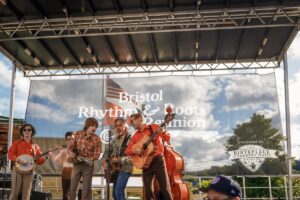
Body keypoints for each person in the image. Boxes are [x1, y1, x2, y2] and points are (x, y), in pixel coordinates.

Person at [125, 113, 173, 200]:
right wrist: (134, 151)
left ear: (139, 118)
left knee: (165, 188)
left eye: (132, 121)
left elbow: (167, 138)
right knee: (147, 190)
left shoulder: (154, 127)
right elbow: (127, 151)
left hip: (158, 160)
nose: (131, 123)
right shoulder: (135, 136)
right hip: (145, 163)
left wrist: (164, 131)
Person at [7, 123, 48, 200]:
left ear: (32, 132)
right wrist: (18, 159)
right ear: (22, 132)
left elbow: (39, 161)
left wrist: (46, 157)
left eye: (29, 130)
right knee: (15, 191)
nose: (26, 131)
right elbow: (10, 154)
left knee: (27, 192)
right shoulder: (17, 143)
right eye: (24, 130)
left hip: (30, 171)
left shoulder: (36, 147)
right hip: (17, 169)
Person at [69, 117, 101, 200]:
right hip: (76, 164)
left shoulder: (97, 138)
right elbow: (70, 148)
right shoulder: (78, 134)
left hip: (88, 165)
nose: (94, 128)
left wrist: (87, 159)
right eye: (92, 126)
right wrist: (71, 153)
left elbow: (97, 154)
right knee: (73, 187)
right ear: (87, 126)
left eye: (95, 126)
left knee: (86, 188)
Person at [102, 117, 133, 200]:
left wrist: (120, 159)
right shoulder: (114, 140)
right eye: (116, 126)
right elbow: (106, 152)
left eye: (120, 125)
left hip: (125, 168)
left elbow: (133, 155)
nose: (118, 128)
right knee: (114, 194)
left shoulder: (130, 138)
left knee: (118, 191)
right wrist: (104, 161)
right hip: (115, 169)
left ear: (125, 126)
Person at [52, 131, 75, 200]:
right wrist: (59, 154)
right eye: (69, 139)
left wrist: (71, 156)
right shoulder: (63, 150)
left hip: (75, 172)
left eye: (72, 139)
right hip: (65, 171)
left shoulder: (78, 149)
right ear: (66, 140)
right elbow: (56, 160)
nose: (71, 141)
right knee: (65, 193)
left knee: (73, 192)